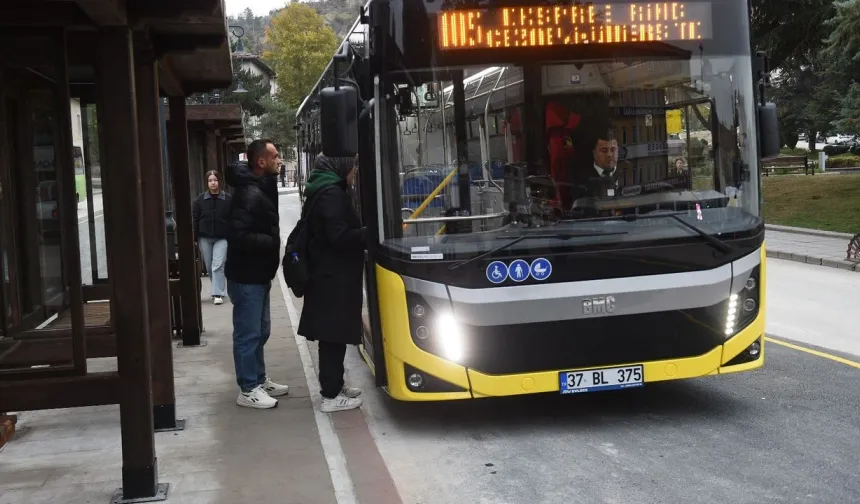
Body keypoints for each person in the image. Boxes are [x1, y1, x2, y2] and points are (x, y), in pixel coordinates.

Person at [298, 154, 366, 413]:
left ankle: (335, 386)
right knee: (332, 335)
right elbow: (338, 236)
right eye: (352, 167)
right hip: (332, 277)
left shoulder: (321, 189)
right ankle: (331, 395)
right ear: (341, 167)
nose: (355, 172)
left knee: (332, 335)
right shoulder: (332, 194)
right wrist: (366, 234)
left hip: (326, 274)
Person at [224, 139, 289, 409]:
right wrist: (271, 241)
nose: (279, 160)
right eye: (274, 156)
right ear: (260, 162)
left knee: (261, 331)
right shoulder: (248, 193)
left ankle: (259, 379)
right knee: (248, 333)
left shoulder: (261, 185)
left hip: (259, 274)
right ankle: (248, 388)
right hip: (246, 276)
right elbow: (238, 236)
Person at [193, 170, 231, 305]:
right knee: (209, 266)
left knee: (218, 265)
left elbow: (233, 219)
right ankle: (220, 287)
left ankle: (217, 294)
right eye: (210, 180)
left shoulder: (228, 199)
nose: (213, 182)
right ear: (207, 183)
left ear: (219, 181)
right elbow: (195, 219)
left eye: (215, 180)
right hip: (205, 237)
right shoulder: (200, 200)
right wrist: (195, 238)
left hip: (222, 237)